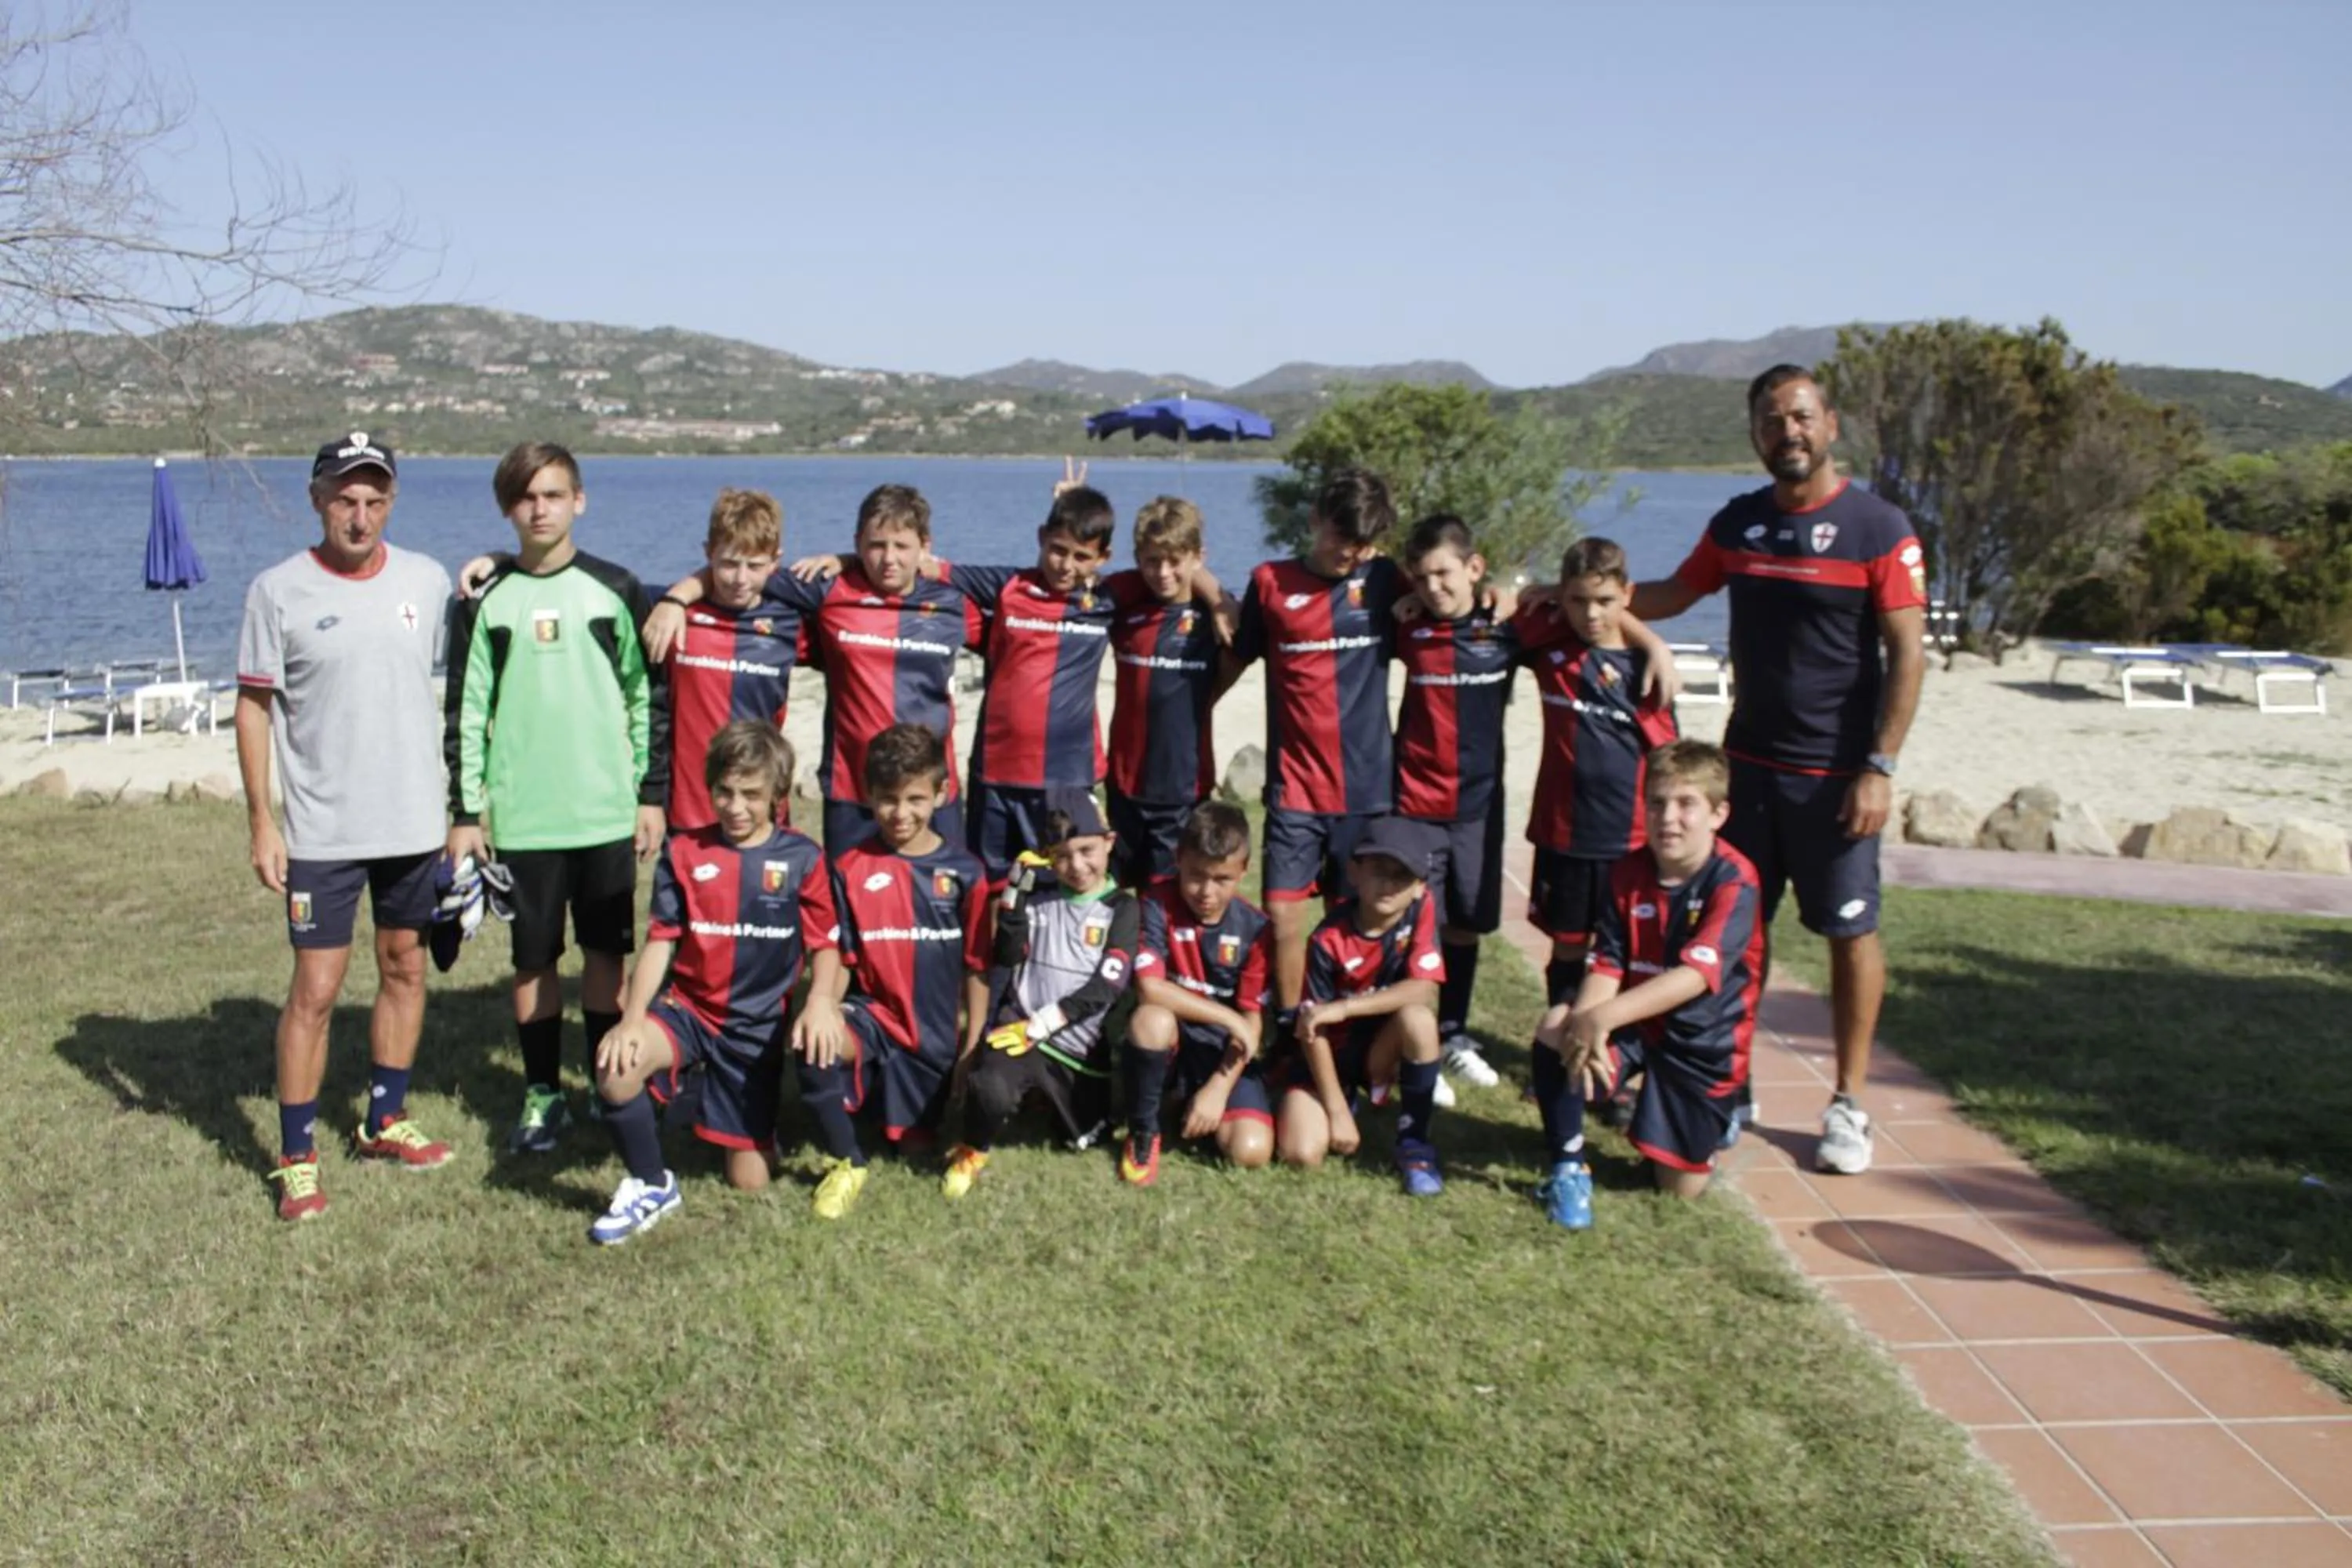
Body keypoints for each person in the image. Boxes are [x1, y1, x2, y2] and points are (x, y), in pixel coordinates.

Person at [1628, 366, 1926, 1175]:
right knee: (1734, 933)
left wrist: (1879, 764)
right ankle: (1731, 1086)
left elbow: (1907, 653)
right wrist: (1576, 595)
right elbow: (1673, 593)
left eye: (1799, 416)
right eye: (1770, 420)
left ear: (1830, 422)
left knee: (1850, 932)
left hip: (1836, 778)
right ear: (1756, 434)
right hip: (1748, 769)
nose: (1786, 431)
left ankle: (1849, 1103)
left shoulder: (1879, 527)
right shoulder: (1740, 523)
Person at [234, 432, 454, 1221]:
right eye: (344, 498)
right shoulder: (277, 590)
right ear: (317, 498)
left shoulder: (427, 581)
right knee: (315, 991)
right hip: (322, 831)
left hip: (413, 824)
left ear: (390, 502)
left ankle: (383, 1118)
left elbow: (471, 671)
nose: (358, 516)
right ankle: (297, 1158)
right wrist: (264, 820)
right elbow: (254, 707)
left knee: (404, 966)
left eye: (373, 499)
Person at [444, 441, 668, 1156]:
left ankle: (607, 1083)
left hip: (604, 811)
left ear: (579, 500)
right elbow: (464, 708)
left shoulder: (617, 587)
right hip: (524, 816)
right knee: (534, 963)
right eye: (525, 497)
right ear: (508, 508)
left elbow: (648, 697)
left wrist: (648, 795)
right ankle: (542, 1093)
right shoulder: (486, 600)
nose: (539, 509)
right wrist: (465, 813)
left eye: (553, 494)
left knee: (606, 956)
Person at [585, 722, 842, 1243]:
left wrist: (818, 1003)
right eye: (724, 791)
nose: (735, 806)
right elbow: (661, 941)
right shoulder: (683, 852)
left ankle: (709, 1100)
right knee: (615, 1069)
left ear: (777, 794)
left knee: (749, 1180)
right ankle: (653, 1184)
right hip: (689, 1010)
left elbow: (827, 947)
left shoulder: (802, 859)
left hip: (755, 1030)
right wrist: (632, 1020)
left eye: (751, 794)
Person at [646, 485, 981, 856]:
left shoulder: (953, 604)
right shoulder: (828, 592)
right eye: (875, 545)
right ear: (858, 543)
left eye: (901, 546)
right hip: (852, 790)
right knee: (849, 905)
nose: (889, 558)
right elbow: (743, 563)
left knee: (942, 907)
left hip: (932, 791)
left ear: (924, 546)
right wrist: (674, 599)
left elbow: (1023, 613)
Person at [1539, 741, 1765, 1227]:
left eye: (1687, 805)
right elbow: (1607, 963)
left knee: (1677, 1190)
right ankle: (1568, 1164)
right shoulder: (1628, 871)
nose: (1669, 818)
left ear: (1718, 814)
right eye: (1658, 803)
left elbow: (1694, 977)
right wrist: (1587, 1023)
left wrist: (1604, 1016)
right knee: (1558, 1026)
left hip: (1702, 1043)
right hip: (1639, 1027)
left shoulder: (1735, 881)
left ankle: (1702, 1124)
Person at [1224, 468, 1406, 1011]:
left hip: (1366, 790)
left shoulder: (1387, 580)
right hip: (1295, 790)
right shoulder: (1269, 582)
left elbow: (1455, 599)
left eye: (1362, 544)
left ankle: (1340, 1024)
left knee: (1356, 921)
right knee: (1282, 916)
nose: (1349, 554)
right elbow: (1235, 656)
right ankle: (1287, 1023)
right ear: (1314, 520)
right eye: (1339, 537)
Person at [794, 723, 993, 1213]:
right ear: (868, 795)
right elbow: (842, 955)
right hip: (874, 1021)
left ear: (942, 794)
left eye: (915, 799)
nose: (900, 814)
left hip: (933, 1039)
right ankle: (850, 1161)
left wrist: (972, 1045)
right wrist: (822, 1006)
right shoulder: (849, 866)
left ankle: (905, 1108)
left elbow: (978, 966)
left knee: (914, 1145)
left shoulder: (965, 873)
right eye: (887, 799)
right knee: (812, 1044)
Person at [1516, 536, 1682, 1025]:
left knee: (1622, 952)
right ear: (1562, 597)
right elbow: (1498, 607)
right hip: (1562, 835)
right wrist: (1546, 591)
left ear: (1627, 595)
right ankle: (1558, 1044)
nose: (1592, 614)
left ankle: (1614, 1048)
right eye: (1578, 601)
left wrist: (1652, 643)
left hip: (1626, 842)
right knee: (1567, 947)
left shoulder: (1645, 673)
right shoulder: (1550, 647)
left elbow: (1670, 762)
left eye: (1605, 602)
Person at [943, 793, 1139, 1198]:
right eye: (1062, 856)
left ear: (1109, 841)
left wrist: (1045, 1023)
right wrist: (1015, 892)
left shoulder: (1122, 908)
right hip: (1021, 1026)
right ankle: (972, 1150)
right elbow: (1007, 954)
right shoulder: (1041, 895)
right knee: (990, 1089)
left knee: (1082, 1140)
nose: (1077, 866)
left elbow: (1108, 986)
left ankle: (1048, 1100)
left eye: (1087, 850)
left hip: (1077, 1047)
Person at [1274, 814, 1450, 1196]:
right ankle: (1342, 1101)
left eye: (1401, 875)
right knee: (1301, 1154)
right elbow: (1312, 1028)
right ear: (1354, 873)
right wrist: (1336, 1112)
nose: (1388, 884)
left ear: (1420, 887)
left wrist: (1345, 1008)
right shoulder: (1327, 939)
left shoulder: (1422, 909)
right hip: (1328, 1055)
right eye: (1378, 870)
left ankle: (1414, 1144)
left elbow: (1423, 990)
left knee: (1419, 1019)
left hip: (1377, 1048)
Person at [1124, 800, 1276, 1181]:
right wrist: (1226, 1016)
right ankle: (1144, 1130)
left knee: (1250, 1151)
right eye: (1195, 875)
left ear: (1243, 870)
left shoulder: (1256, 928)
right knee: (1150, 1020)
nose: (1206, 891)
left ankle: (1193, 1106)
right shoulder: (1156, 902)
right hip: (1175, 1034)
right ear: (1178, 859)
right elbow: (1149, 987)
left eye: (1222, 879)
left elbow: (1251, 1022)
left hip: (1221, 1051)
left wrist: (1219, 1089)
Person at [654, 488, 805, 833]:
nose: (740, 579)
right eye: (728, 564)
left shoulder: (792, 621)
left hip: (761, 805)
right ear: (708, 554)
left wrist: (844, 560)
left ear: (775, 562)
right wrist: (674, 600)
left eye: (754, 566)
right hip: (688, 808)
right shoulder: (674, 614)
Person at [1103, 495, 1225, 889]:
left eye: (1175, 561)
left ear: (1197, 556)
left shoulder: (1217, 621)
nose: (1164, 572)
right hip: (1123, 784)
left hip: (1183, 790)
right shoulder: (1123, 608)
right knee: (1117, 898)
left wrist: (1222, 599)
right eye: (1152, 561)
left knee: (1167, 901)